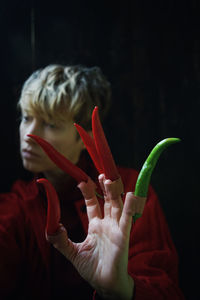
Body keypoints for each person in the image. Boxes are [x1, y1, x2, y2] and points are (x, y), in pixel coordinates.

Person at [0, 64, 185, 299]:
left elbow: (166, 289)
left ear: (84, 137)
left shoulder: (129, 193)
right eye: (26, 117)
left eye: (51, 124)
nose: (29, 135)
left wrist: (123, 289)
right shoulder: (15, 206)